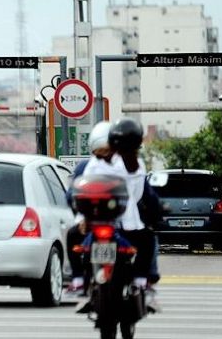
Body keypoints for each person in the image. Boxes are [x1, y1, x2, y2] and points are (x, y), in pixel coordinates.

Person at [86, 117, 158, 312]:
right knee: (148, 240)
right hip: (119, 223)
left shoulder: (97, 163)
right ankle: (141, 281)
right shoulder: (133, 165)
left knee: (147, 240)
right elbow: (138, 195)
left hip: (108, 222)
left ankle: (85, 283)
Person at [65, 120, 113, 295]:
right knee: (72, 235)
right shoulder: (85, 167)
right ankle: (78, 278)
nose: (104, 155)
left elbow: (138, 193)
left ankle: (140, 280)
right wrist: (81, 217)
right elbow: (72, 195)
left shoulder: (124, 165)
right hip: (92, 220)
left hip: (119, 220)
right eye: (99, 151)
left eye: (107, 150)